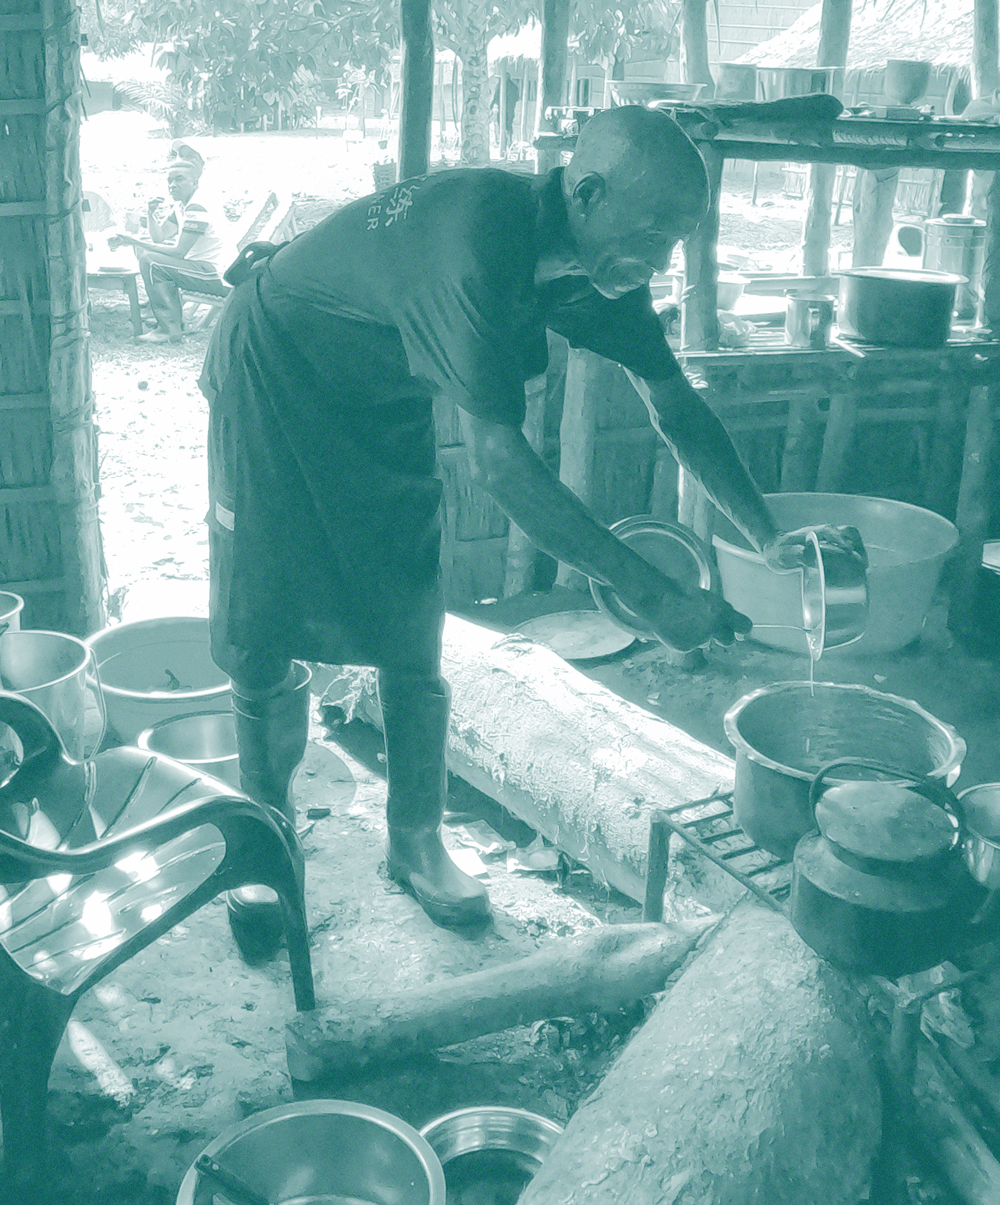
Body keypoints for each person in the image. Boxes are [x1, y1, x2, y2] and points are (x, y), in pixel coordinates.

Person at [200, 104, 864, 956]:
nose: (661, 262)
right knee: (261, 614)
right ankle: (264, 835)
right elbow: (503, 468)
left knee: (410, 609)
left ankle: (415, 841)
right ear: (586, 194)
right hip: (273, 376)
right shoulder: (476, 244)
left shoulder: (602, 269)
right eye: (651, 237)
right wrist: (653, 596)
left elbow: (675, 406)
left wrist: (765, 534)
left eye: (674, 243)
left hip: (380, 396)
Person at [109, 157, 233, 343]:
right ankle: (154, 310)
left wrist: (133, 241)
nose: (172, 185)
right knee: (145, 253)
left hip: (216, 275)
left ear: (195, 182)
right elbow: (159, 237)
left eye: (179, 179)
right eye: (170, 181)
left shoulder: (197, 207)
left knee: (151, 261)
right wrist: (150, 213)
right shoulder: (181, 206)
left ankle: (168, 330)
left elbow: (179, 252)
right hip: (200, 268)